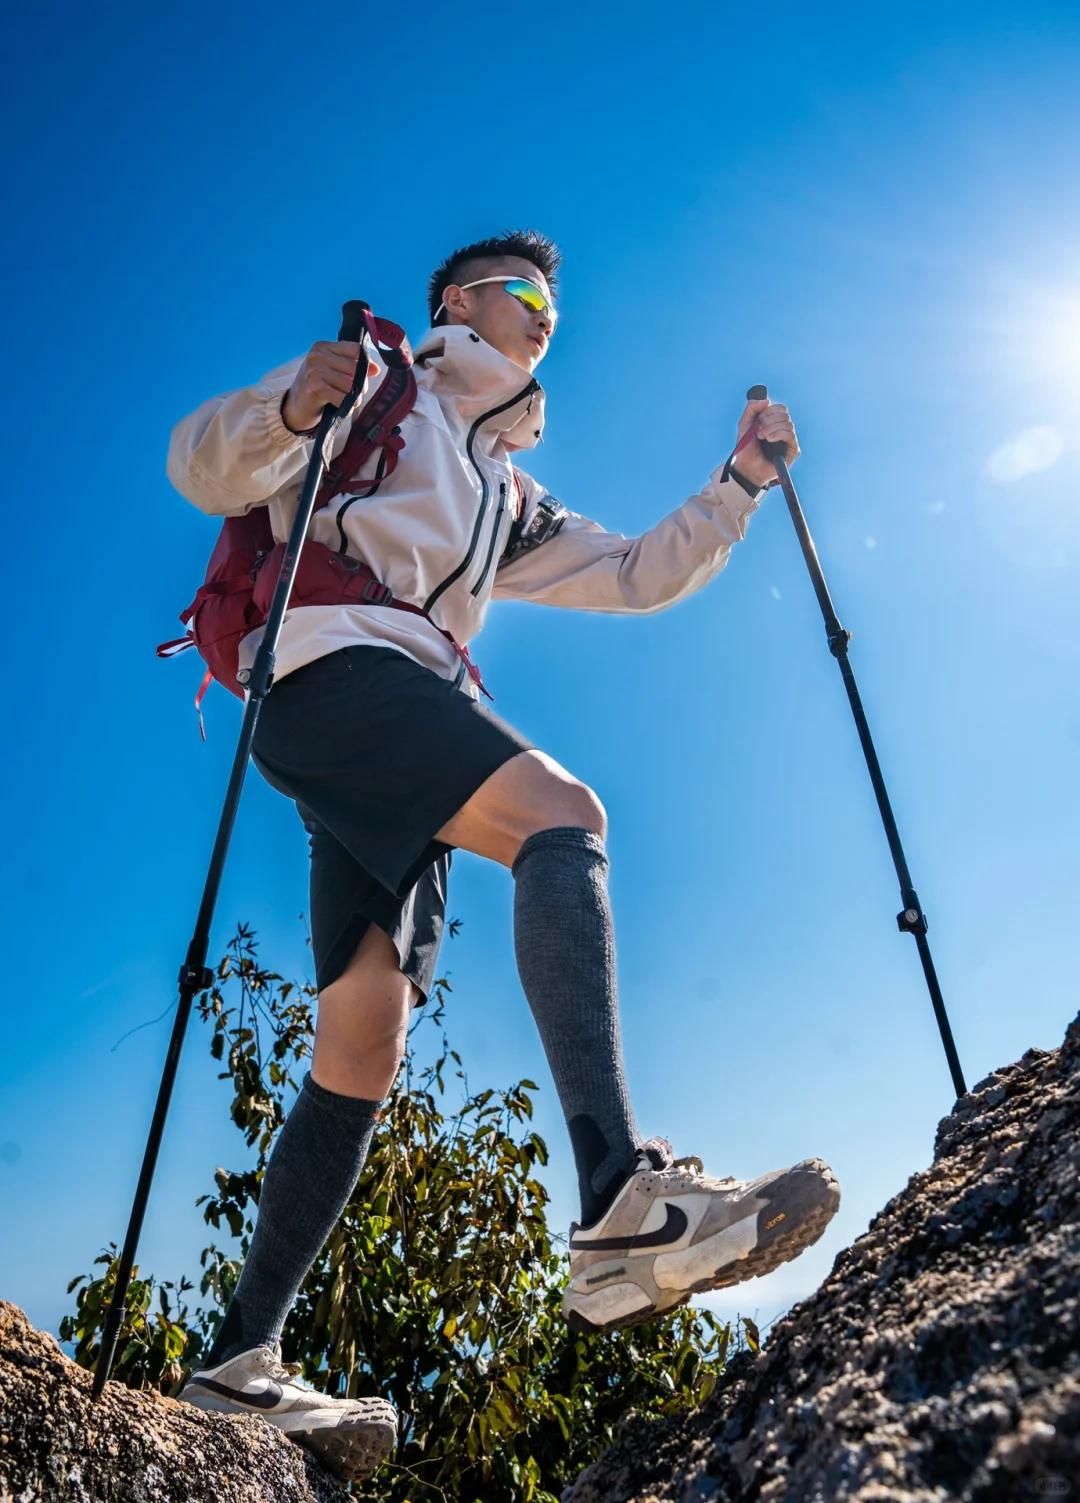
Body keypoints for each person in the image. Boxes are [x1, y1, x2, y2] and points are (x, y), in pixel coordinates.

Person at [169, 230, 840, 1480]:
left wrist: (741, 484)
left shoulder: (504, 490)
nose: (542, 318)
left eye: (554, 307)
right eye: (523, 295)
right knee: (562, 813)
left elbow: (637, 574)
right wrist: (287, 401)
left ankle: (235, 1364)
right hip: (330, 671)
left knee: (364, 1033)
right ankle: (617, 1205)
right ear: (455, 303)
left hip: (397, 709)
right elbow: (202, 463)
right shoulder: (380, 385)